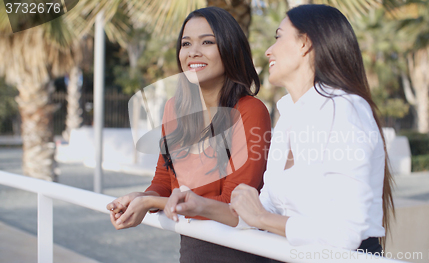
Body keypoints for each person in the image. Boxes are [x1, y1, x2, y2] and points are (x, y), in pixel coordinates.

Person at [163, 4, 395, 256]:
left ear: (305, 44)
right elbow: (260, 210)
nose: (268, 50)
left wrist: (262, 218)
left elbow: (344, 234)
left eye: (278, 37)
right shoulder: (289, 117)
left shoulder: (346, 109)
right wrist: (201, 205)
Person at [106, 7, 272, 262]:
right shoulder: (175, 108)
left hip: (237, 252)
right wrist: (141, 198)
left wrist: (153, 204)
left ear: (230, 48)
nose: (193, 52)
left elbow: (234, 203)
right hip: (192, 250)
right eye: (186, 43)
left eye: (207, 42)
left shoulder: (250, 110)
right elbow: (164, 180)